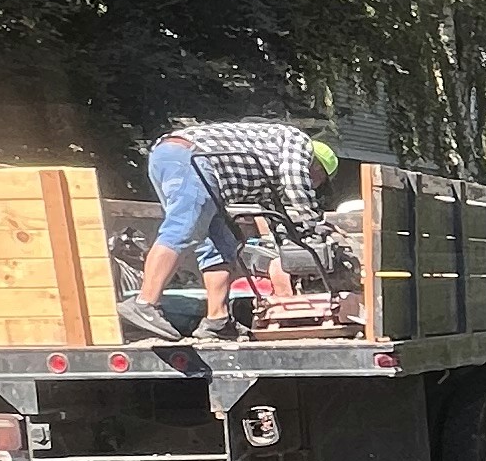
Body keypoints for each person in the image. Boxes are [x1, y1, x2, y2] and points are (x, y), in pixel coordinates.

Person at [125, 119, 346, 338]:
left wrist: (294, 238)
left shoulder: (270, 169)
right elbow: (296, 184)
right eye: (319, 181)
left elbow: (276, 213)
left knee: (220, 247)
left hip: (188, 164)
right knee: (183, 229)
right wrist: (317, 224)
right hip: (189, 159)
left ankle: (217, 321)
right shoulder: (299, 142)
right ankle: (144, 304)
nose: (315, 186)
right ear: (317, 168)